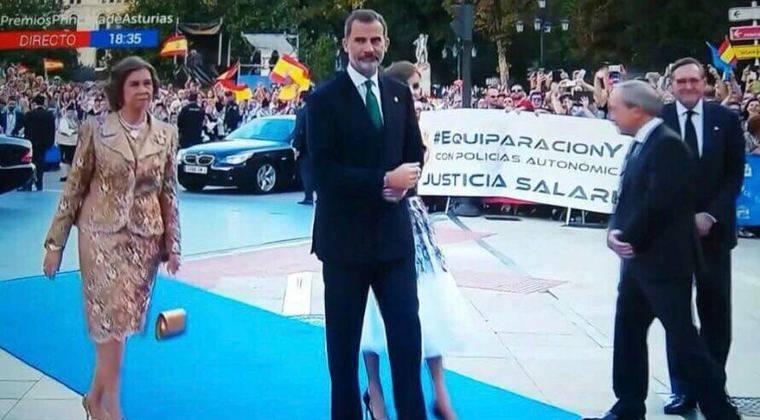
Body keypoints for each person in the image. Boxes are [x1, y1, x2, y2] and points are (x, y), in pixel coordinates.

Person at [582, 81, 740, 420]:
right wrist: (615, 230)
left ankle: (721, 411)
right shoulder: (643, 143)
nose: (610, 115)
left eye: (614, 108)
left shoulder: (666, 145)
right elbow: (629, 196)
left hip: (664, 265)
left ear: (637, 111)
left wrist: (628, 237)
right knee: (628, 335)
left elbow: (660, 202)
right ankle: (628, 406)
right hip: (640, 264)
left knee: (685, 342)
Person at [42, 56, 181, 420]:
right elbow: (73, 189)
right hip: (100, 237)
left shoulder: (166, 133)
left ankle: (93, 398)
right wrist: (54, 244)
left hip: (144, 241)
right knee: (111, 320)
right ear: (120, 89)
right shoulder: (96, 130)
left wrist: (174, 246)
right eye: (135, 83)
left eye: (148, 83)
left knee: (123, 324)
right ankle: (112, 407)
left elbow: (168, 193)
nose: (143, 90)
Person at [307, 9, 426, 420]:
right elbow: (321, 172)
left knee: (408, 346)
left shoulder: (398, 93)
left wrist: (408, 180)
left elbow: (415, 153)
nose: (368, 48)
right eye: (360, 40)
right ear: (346, 45)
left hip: (394, 244)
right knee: (343, 355)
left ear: (386, 43)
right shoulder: (323, 99)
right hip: (344, 247)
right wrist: (381, 182)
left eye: (375, 40)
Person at [360, 60, 472, 420]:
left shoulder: (414, 120)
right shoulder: (372, 116)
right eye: (413, 86)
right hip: (375, 217)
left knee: (430, 301)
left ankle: (440, 392)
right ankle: (375, 393)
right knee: (372, 311)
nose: (419, 94)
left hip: (413, 219)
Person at [659, 57, 746, 416]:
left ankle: (714, 386)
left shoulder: (725, 120)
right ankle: (682, 390)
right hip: (672, 239)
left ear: (704, 83)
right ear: (672, 85)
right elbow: (655, 177)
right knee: (678, 316)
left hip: (714, 234)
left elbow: (733, 176)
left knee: (715, 316)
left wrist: (710, 214)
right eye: (681, 82)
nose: (688, 87)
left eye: (694, 81)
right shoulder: (659, 121)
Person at [22, 95, 56, 191]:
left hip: (30, 143)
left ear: (34, 103)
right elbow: (52, 130)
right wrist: (50, 142)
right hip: (43, 144)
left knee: (30, 163)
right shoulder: (49, 115)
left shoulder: (29, 114)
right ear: (43, 103)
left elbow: (23, 124)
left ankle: (28, 184)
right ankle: (39, 184)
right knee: (40, 164)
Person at [292, 90, 314, 205]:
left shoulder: (301, 113)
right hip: (316, 147)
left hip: (305, 148)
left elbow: (299, 131)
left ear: (301, 99)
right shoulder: (317, 111)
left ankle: (308, 196)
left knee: (306, 173)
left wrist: (297, 147)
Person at [56, 104, 80, 181]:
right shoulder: (64, 120)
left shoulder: (74, 120)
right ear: (67, 112)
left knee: (72, 159)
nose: (71, 113)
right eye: (70, 112)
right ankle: (64, 175)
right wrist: (74, 131)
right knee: (65, 159)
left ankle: (71, 174)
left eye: (72, 112)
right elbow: (64, 130)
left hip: (73, 143)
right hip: (65, 143)